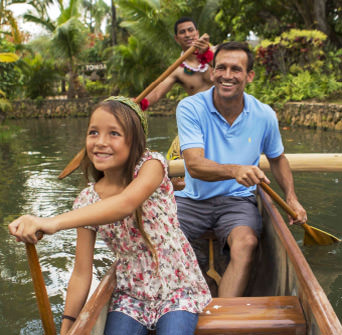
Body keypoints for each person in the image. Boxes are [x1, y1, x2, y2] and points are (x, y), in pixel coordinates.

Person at [8, 96, 211, 335]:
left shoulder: (151, 165)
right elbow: (81, 272)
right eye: (93, 133)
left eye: (114, 133)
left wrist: (51, 222)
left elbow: (126, 203)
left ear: (134, 141)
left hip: (178, 288)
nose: (100, 142)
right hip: (131, 295)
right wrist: (67, 326)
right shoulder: (87, 201)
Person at [174, 41, 307, 298]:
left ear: (249, 76)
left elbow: (278, 159)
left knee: (247, 243)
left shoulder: (264, 114)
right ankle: (201, 287)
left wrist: (292, 197)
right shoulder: (190, 108)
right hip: (192, 198)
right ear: (211, 72)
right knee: (166, 238)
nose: (226, 75)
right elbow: (194, 165)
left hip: (237, 201)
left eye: (236, 69)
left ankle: (223, 315)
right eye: (221, 67)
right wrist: (235, 170)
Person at [139, 17, 215, 112]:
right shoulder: (177, 70)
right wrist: (138, 104)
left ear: (197, 33)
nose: (187, 35)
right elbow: (157, 93)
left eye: (190, 30)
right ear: (177, 38)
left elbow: (227, 71)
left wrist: (207, 55)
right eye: (182, 32)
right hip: (203, 116)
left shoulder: (217, 52)